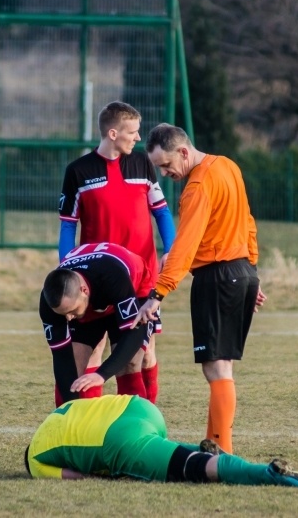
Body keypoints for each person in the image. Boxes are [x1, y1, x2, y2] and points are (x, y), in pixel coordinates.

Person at [132, 124, 265, 455]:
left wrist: (158, 293)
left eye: (166, 165)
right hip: (241, 273)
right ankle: (213, 448)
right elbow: (248, 222)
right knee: (223, 366)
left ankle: (222, 451)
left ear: (183, 151)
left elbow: (186, 244)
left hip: (217, 277)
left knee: (215, 366)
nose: (165, 174)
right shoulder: (227, 166)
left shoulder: (197, 186)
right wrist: (252, 271)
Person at [57, 101, 175, 404]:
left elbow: (161, 212)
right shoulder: (78, 172)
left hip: (141, 279)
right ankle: (87, 423)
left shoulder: (142, 164)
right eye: (132, 132)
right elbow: (68, 225)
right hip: (95, 281)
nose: (138, 138)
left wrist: (171, 251)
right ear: (113, 133)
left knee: (141, 354)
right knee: (91, 352)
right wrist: (67, 270)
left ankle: (145, 422)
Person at [25, 394, 298, 487]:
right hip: (140, 408)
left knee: (191, 468)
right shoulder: (54, 415)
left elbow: (77, 477)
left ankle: (267, 474)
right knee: (168, 452)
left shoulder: (36, 460)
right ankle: (200, 450)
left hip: (119, 441)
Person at [40, 242, 157, 405]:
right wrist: (69, 408)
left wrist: (102, 374)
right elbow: (61, 358)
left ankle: (140, 418)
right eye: (63, 314)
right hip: (93, 298)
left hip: (135, 290)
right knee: (74, 364)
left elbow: (133, 335)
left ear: (84, 290)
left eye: (71, 311)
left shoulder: (113, 276)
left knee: (130, 363)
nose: (69, 318)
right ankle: (78, 418)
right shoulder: (50, 301)